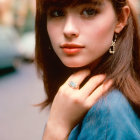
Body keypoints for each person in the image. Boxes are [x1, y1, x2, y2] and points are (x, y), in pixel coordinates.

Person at [35, 0, 140, 139]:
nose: (69, 29)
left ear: (120, 19)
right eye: (57, 13)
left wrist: (56, 128)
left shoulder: (106, 111)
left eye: (89, 12)